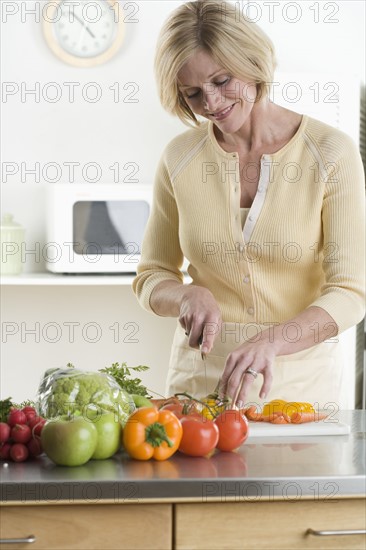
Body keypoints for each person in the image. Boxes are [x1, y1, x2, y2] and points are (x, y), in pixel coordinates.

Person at [133, 0, 365, 409]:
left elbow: (350, 292)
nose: (211, 103)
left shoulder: (330, 153)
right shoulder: (179, 158)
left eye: (222, 80)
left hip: (299, 385)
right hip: (199, 384)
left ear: (252, 62)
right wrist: (186, 296)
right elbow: (152, 275)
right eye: (192, 93)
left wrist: (273, 341)